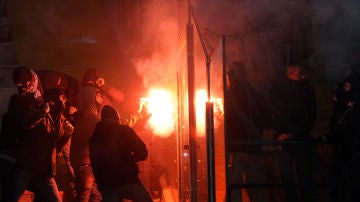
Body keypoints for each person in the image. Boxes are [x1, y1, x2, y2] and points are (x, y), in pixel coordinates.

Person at [7, 67, 73, 202]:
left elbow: (55, 147)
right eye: (63, 98)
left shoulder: (57, 119)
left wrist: (66, 134)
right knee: (12, 198)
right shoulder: (37, 107)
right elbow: (26, 123)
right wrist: (42, 111)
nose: (65, 101)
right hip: (28, 164)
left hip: (44, 170)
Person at [268, 65, 317, 202]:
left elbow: (308, 117)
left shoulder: (305, 91)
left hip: (297, 139)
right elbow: (281, 114)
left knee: (300, 175)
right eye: (291, 71)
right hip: (292, 138)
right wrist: (280, 133)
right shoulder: (289, 91)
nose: (293, 73)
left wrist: (291, 134)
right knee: (291, 175)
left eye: (295, 70)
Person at [224, 61, 268, 202]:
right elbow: (263, 117)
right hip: (254, 147)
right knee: (256, 189)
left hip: (237, 147)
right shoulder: (255, 93)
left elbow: (229, 120)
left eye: (228, 74)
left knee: (234, 188)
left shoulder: (229, 95)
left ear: (232, 75)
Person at [89, 105, 152, 202]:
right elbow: (142, 152)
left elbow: (94, 163)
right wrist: (131, 159)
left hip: (107, 186)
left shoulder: (94, 138)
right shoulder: (124, 130)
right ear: (117, 118)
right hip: (128, 180)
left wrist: (101, 185)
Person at [324, 71, 360, 202]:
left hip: (352, 149)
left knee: (350, 181)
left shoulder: (353, 104)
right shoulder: (341, 105)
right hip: (342, 149)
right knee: (340, 181)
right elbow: (336, 124)